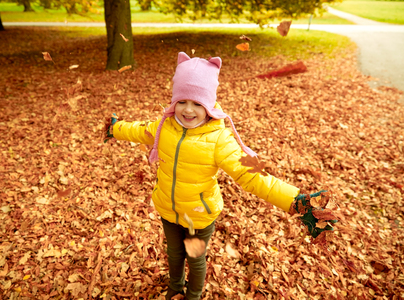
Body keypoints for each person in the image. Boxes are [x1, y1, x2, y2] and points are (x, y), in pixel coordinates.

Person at [105, 52, 336, 300]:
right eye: (182, 101)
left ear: (210, 106)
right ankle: (175, 285)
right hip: (168, 210)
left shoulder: (219, 139)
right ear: (174, 102)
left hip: (198, 217)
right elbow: (137, 130)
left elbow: (252, 175)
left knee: (194, 258)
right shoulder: (163, 127)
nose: (188, 110)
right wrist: (114, 128)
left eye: (198, 104)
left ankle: (193, 294)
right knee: (174, 253)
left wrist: (295, 200)